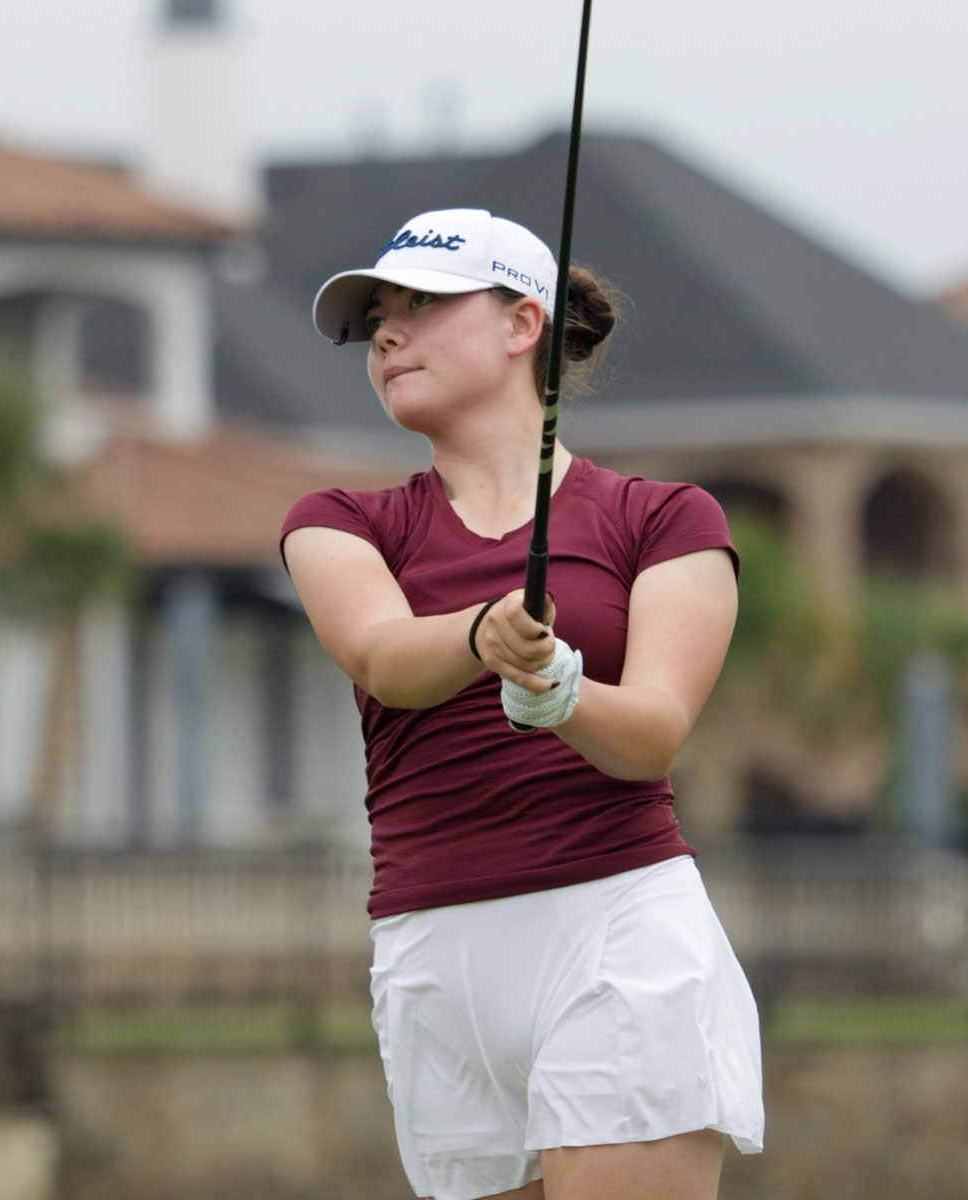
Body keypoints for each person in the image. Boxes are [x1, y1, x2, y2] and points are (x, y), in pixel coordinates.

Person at [280, 208, 763, 1200]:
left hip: (614, 932)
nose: (386, 334)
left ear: (520, 323)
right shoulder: (339, 523)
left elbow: (653, 734)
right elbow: (382, 656)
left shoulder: (665, 520)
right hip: (429, 956)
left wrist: (561, 694)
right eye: (376, 317)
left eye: (421, 304)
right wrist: (484, 635)